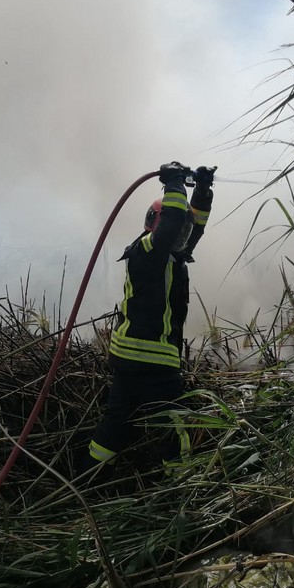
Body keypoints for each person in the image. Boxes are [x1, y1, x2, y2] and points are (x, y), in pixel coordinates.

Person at [81, 160, 215, 477]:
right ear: (156, 224)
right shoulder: (149, 250)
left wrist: (203, 191)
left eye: (184, 230)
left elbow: (193, 226)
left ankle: (87, 478)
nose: (183, 235)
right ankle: (181, 486)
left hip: (129, 358)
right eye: (177, 228)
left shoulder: (168, 256)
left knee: (115, 424)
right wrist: (174, 183)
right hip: (153, 360)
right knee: (176, 425)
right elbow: (172, 225)